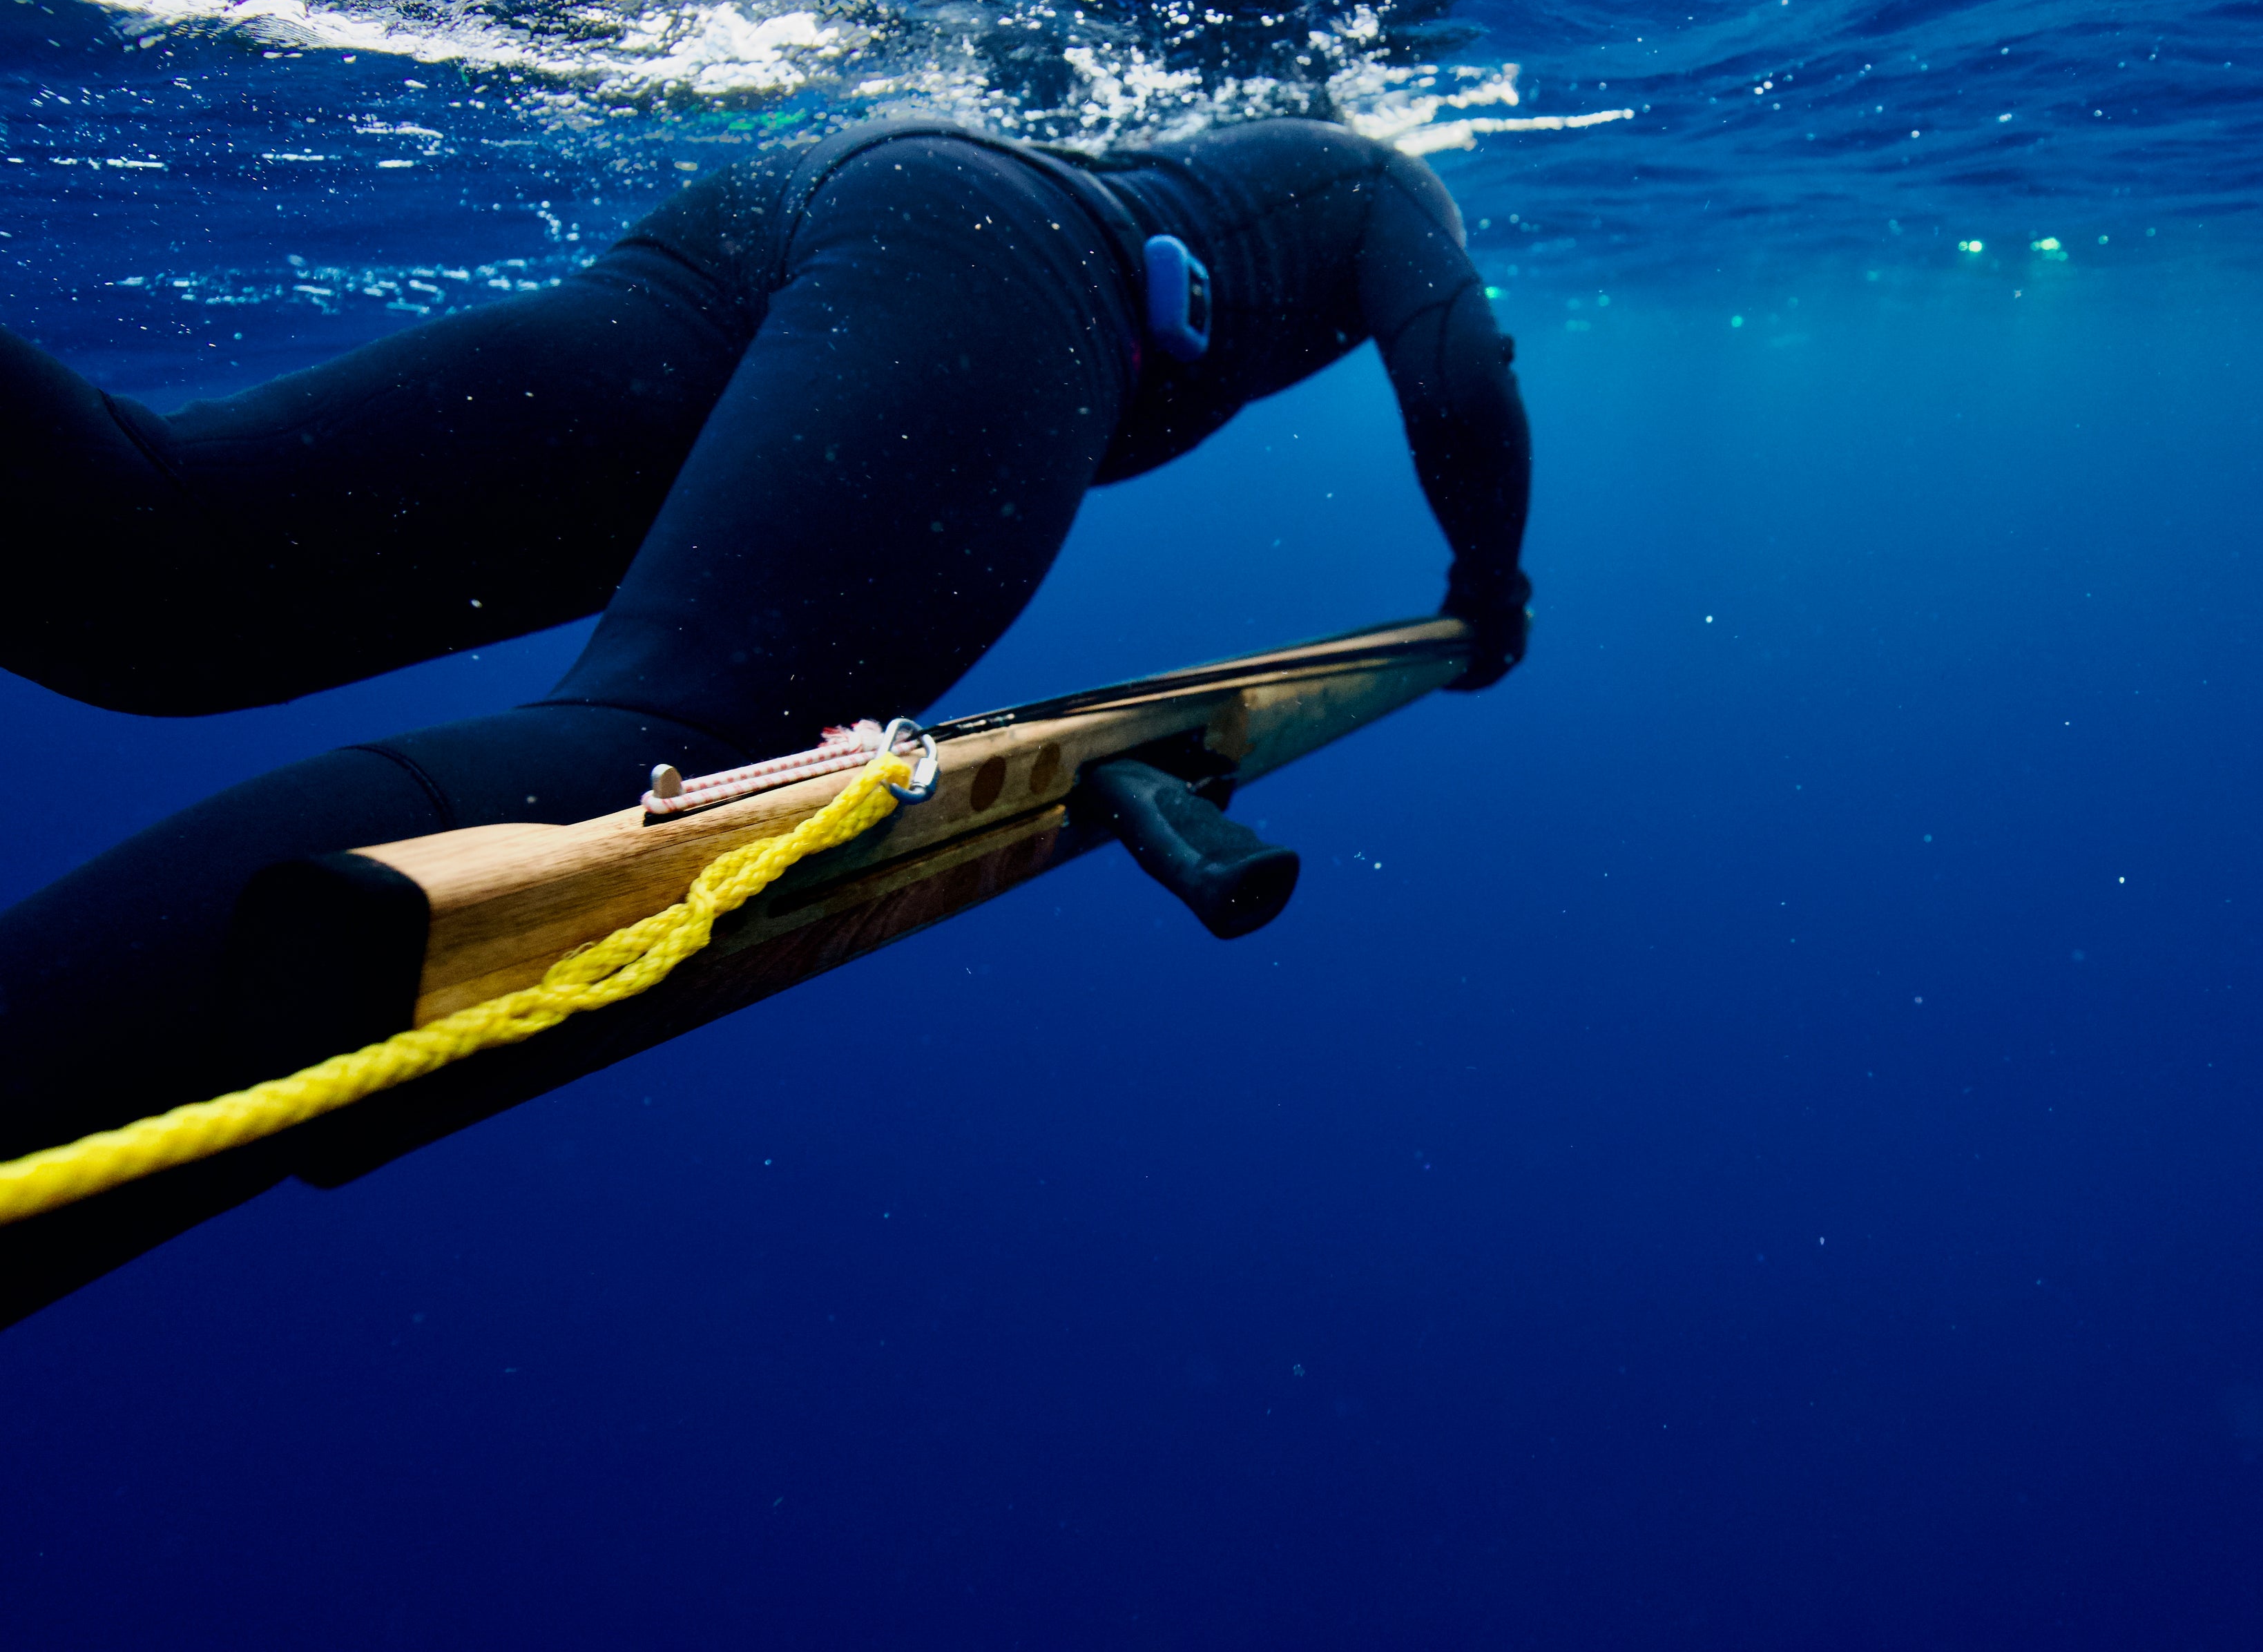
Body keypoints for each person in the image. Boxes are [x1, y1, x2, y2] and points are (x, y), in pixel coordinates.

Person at [0, 115, 1531, 1160]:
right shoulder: (1382, 180)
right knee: (670, 757)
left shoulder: (1192, 157)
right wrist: (1489, 580)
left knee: (178, 568)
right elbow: (1461, 367)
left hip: (804, 200)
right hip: (1004, 258)